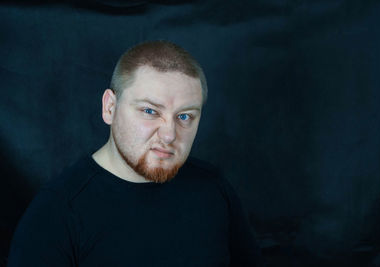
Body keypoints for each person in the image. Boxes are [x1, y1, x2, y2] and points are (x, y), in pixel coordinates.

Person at [7, 40, 264, 266]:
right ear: (110, 107)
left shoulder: (213, 189)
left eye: (185, 116)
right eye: (150, 111)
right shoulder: (57, 213)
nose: (169, 135)